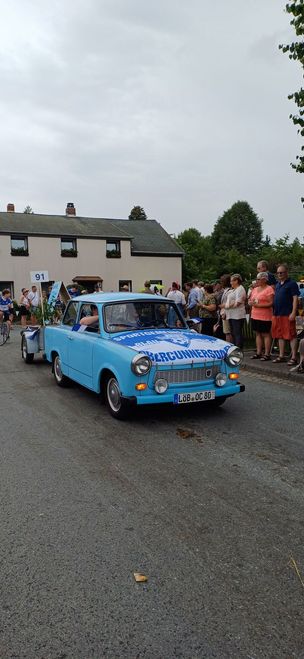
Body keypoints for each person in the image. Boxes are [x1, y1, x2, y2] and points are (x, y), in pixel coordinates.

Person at [272, 264, 299, 365]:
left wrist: (293, 312)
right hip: (277, 314)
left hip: (287, 313)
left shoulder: (292, 284)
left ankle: (294, 357)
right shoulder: (278, 284)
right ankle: (281, 356)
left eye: (281, 272)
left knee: (291, 335)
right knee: (280, 335)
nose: (279, 274)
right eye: (278, 273)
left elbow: (295, 299)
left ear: (286, 272)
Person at [248, 272, 274, 360]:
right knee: (258, 333)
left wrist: (259, 306)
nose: (257, 281)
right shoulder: (255, 289)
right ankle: (259, 352)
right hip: (255, 314)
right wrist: (250, 303)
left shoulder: (269, 289)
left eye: (258, 279)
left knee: (266, 334)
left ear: (264, 279)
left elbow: (271, 303)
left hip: (265, 315)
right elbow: (251, 299)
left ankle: (267, 354)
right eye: (257, 279)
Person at [224, 274, 247, 348]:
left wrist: (226, 306)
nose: (230, 283)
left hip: (237, 315)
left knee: (237, 333)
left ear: (236, 281)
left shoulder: (240, 289)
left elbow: (238, 302)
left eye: (231, 281)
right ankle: (235, 348)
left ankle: (239, 349)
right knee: (233, 333)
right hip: (231, 315)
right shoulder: (234, 289)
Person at [218, 274, 233, 343]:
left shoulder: (229, 291)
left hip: (226, 313)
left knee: (228, 332)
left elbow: (228, 303)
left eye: (222, 281)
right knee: (226, 332)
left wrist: (224, 313)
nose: (221, 283)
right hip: (224, 313)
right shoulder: (226, 290)